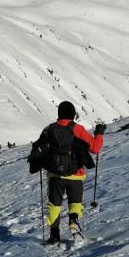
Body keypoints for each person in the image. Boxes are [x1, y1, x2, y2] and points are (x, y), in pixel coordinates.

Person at [31, 101, 105, 244]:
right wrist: (99, 134)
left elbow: (39, 149)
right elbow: (95, 148)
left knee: (54, 204)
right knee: (75, 202)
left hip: (54, 176)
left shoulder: (48, 129)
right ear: (72, 114)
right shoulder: (78, 129)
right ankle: (73, 221)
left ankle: (54, 234)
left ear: (59, 114)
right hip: (75, 174)